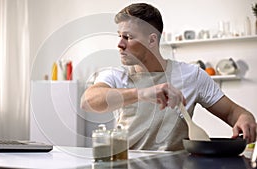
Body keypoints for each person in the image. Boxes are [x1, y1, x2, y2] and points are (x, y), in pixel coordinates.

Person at [80, 3, 256, 151]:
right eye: (119, 36)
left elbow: (233, 112)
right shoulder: (114, 76)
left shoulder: (192, 75)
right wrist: (142, 93)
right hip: (127, 162)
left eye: (128, 37)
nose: (119, 44)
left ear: (152, 40)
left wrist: (245, 117)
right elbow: (88, 101)